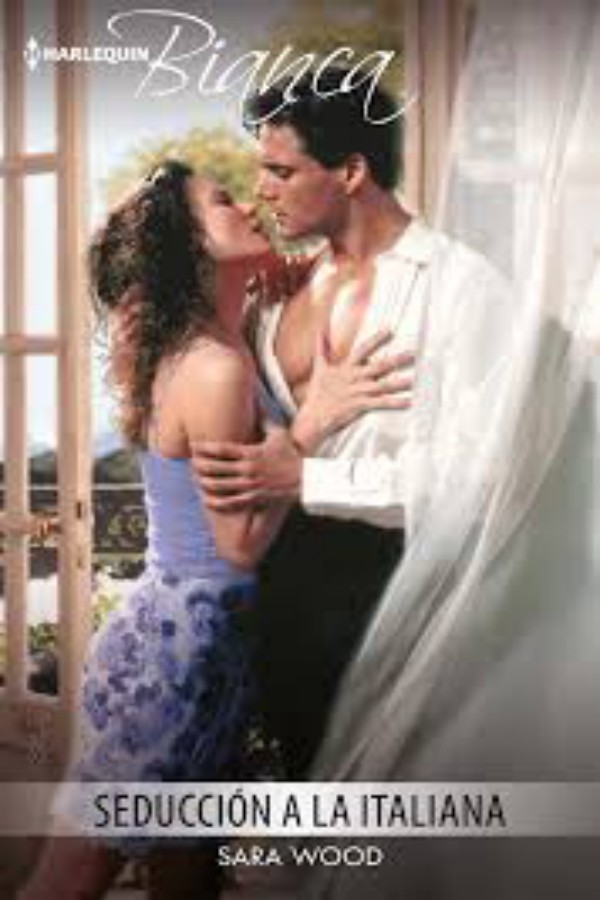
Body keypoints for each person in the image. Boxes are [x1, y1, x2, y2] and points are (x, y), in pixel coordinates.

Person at [18, 160, 405, 900]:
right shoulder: (214, 368)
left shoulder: (197, 342)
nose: (249, 205)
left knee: (187, 874)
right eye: (223, 203)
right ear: (186, 245)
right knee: (72, 878)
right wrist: (313, 421)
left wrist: (267, 290)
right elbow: (239, 544)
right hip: (179, 655)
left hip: (192, 641)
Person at [192, 68, 510, 780]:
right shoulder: (279, 291)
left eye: (281, 171)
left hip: (397, 589)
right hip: (284, 593)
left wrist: (309, 478)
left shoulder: (462, 287)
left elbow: (483, 479)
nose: (261, 191)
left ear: (352, 170)